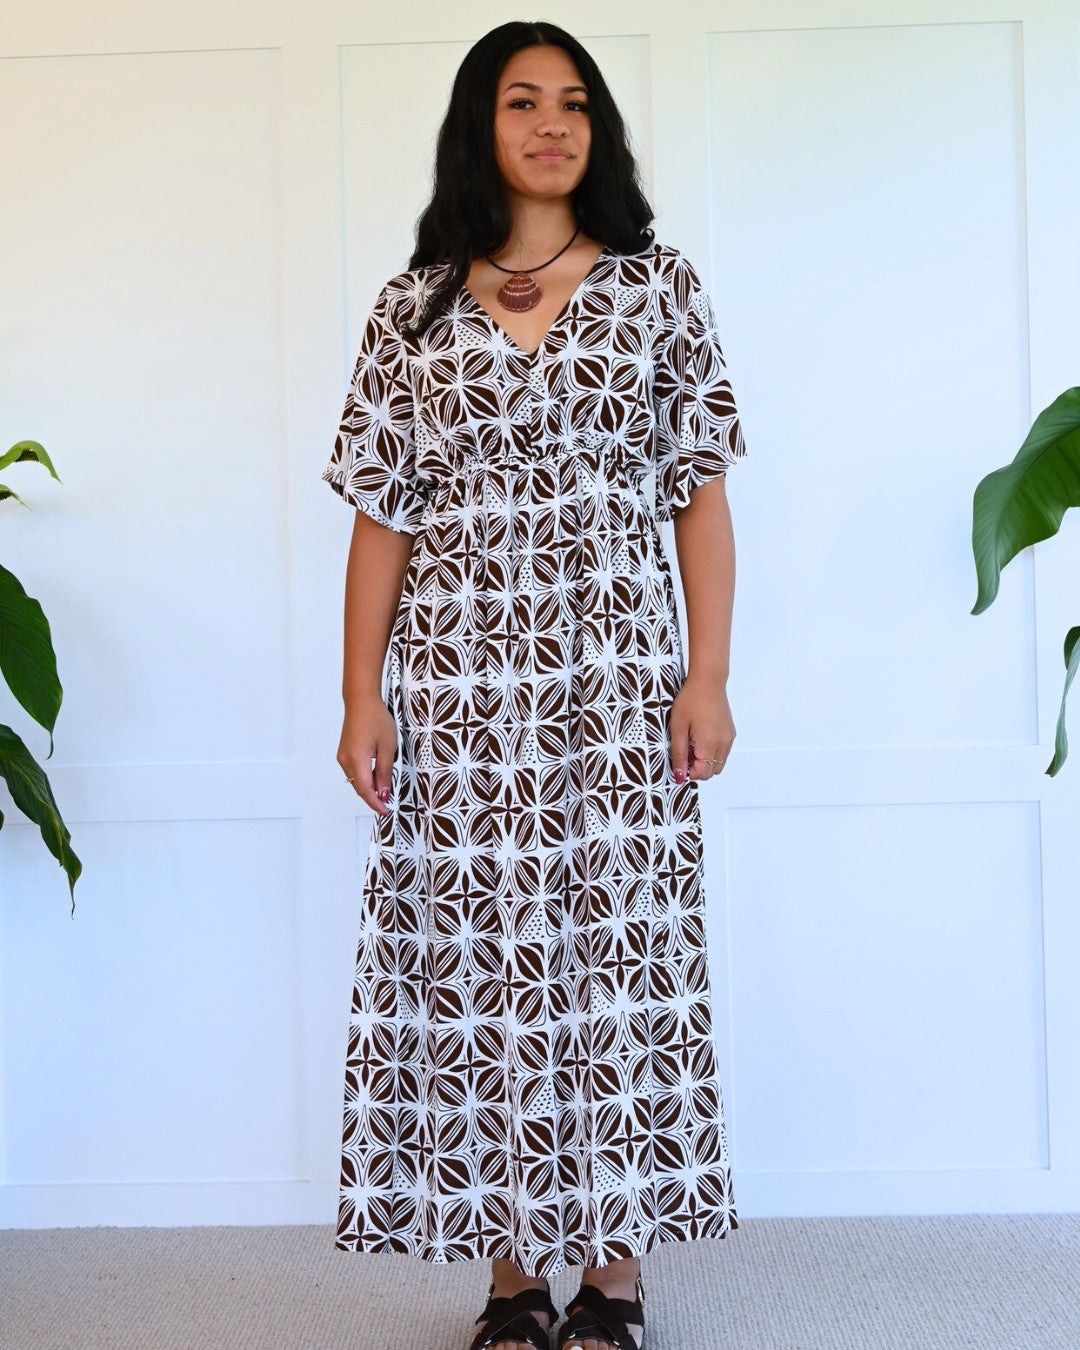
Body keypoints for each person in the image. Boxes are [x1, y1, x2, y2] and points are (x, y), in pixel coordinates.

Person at [322, 19, 747, 1350]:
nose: (552, 123)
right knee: (481, 966)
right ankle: (512, 1278)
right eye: (522, 101)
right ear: (481, 124)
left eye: (573, 102)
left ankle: (614, 1278)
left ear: (596, 130)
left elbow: (698, 496)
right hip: (460, 691)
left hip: (618, 681)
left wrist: (709, 675)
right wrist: (362, 695)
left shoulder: (659, 290)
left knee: (618, 960)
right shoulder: (412, 309)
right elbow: (382, 516)